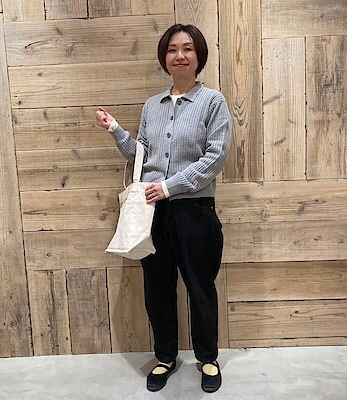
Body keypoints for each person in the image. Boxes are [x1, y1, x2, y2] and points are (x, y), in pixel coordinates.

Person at [96, 23, 232, 393]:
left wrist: (170, 186)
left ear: (199, 56)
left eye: (187, 48)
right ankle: (166, 356)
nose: (180, 55)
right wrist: (115, 129)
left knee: (200, 288)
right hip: (152, 213)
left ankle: (207, 358)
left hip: (195, 211)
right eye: (172, 49)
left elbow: (216, 157)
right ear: (164, 57)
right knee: (157, 289)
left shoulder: (213, 102)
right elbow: (141, 156)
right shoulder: (151, 106)